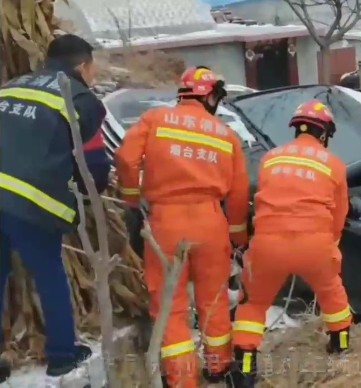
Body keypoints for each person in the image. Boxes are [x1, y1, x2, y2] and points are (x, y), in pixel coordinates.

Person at [115, 67, 250, 387]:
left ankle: (182, 380)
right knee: (214, 301)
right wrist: (238, 237)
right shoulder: (225, 134)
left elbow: (125, 159)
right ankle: (218, 369)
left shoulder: (154, 119)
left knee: (170, 307)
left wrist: (132, 200)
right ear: (208, 95)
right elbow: (239, 192)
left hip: (165, 223)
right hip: (210, 223)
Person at [0, 34, 109, 382]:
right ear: (83, 65)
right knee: (48, 271)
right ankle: (62, 355)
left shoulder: (10, 87)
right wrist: (89, 196)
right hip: (29, 201)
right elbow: (94, 167)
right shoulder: (80, 98)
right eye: (93, 67)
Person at [232, 100, 352, 388]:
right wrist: (330, 245)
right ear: (323, 134)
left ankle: (245, 370)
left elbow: (261, 199)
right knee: (331, 291)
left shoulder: (270, 159)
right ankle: (340, 345)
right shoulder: (333, 165)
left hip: (268, 244)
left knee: (254, 304)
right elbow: (339, 214)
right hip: (315, 243)